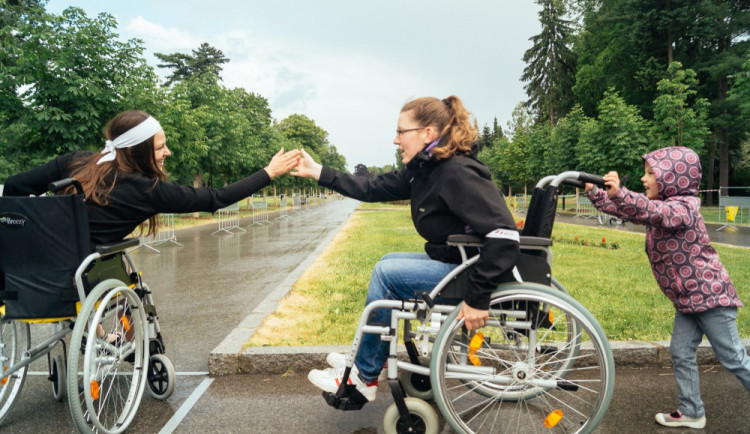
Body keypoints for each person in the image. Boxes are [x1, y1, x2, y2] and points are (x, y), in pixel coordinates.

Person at [292, 95, 520, 401]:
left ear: (427, 134)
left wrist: (477, 298)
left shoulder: (455, 171)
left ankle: (363, 376)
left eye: (402, 132)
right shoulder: (426, 168)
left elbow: (504, 234)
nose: (396, 140)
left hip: (472, 271)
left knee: (386, 274)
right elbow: (372, 188)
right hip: (459, 262)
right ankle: (364, 360)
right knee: (388, 261)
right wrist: (320, 171)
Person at [585, 146, 750, 429]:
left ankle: (692, 408)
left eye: (651, 174)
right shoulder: (659, 210)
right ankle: (692, 411)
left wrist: (621, 191)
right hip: (687, 300)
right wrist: (596, 191)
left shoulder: (683, 208)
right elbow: (625, 209)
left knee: (732, 356)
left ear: (673, 178)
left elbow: (653, 210)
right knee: (681, 352)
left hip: (711, 297)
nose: (644, 179)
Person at [2, 109, 300, 244]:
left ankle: (102, 333)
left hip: (26, 270)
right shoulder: (147, 190)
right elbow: (215, 199)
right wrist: (268, 173)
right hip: (81, 275)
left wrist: (18, 232)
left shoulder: (73, 162)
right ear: (138, 151)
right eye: (160, 146)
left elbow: (14, 186)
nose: (167, 152)